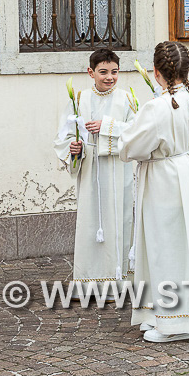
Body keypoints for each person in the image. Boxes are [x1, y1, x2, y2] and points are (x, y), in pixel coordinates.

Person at [118, 42, 189, 343]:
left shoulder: (157, 107)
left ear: (156, 72)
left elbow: (130, 147)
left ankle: (176, 323)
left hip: (165, 178)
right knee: (187, 245)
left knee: (167, 248)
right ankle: (169, 313)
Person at [53, 48, 135, 290]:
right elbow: (64, 135)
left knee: (119, 220)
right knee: (90, 224)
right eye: (103, 72)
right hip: (90, 171)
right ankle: (89, 281)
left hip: (118, 170)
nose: (109, 77)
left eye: (114, 72)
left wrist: (107, 126)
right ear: (91, 72)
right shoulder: (79, 99)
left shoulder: (127, 99)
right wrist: (74, 148)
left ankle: (119, 280)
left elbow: (136, 131)